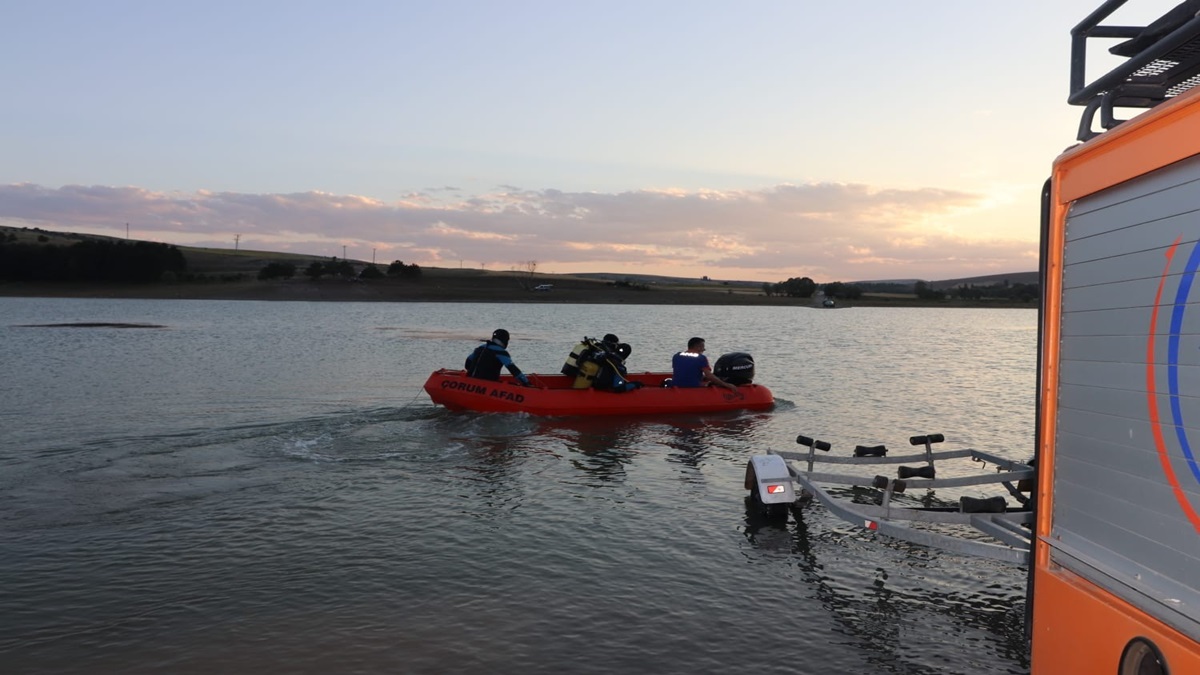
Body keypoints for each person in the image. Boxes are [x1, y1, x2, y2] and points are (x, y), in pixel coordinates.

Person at [465, 329, 531, 386]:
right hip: (487, 385)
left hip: (470, 381)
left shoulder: (481, 347)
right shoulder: (500, 352)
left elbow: (467, 364)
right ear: (505, 341)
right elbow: (513, 369)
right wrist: (526, 382)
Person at [671, 337, 738, 391]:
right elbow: (709, 376)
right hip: (693, 386)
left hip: (676, 385)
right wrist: (726, 385)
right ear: (698, 347)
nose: (704, 349)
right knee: (711, 383)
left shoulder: (676, 356)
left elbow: (684, 371)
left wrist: (703, 377)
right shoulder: (701, 358)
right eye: (703, 347)